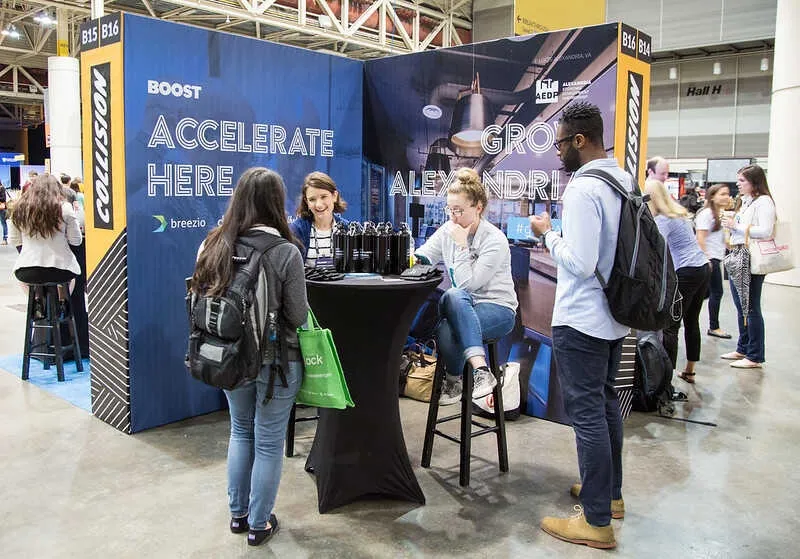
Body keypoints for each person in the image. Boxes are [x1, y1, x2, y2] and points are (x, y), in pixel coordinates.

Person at [529, 102, 628, 550]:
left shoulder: (584, 190)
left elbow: (580, 262)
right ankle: (610, 495)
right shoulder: (622, 179)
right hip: (613, 317)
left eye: (561, 143)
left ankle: (595, 521)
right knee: (606, 406)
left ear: (580, 140)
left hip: (583, 318)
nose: (558, 153)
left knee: (587, 415)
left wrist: (547, 234)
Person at [191, 167, 308, 546]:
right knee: (269, 441)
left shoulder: (213, 243)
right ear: (276, 203)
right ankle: (260, 524)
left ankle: (239, 516)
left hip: (227, 357)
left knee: (240, 430)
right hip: (276, 363)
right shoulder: (285, 251)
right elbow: (299, 315)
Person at [414, 167, 517, 405]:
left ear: (478, 207)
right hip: (462, 305)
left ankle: (454, 380)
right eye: (449, 209)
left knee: (449, 317)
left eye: (458, 210)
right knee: (451, 302)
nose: (453, 217)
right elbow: (424, 255)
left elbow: (466, 285)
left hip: (498, 309)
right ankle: (481, 371)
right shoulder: (448, 228)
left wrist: (460, 247)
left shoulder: (494, 239)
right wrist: (410, 257)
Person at [646, 179, 710, 384]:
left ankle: (666, 381)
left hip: (686, 272)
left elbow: (655, 248)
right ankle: (690, 371)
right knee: (692, 321)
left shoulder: (663, 220)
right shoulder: (679, 214)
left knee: (670, 325)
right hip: (701, 268)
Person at [720, 164, 776, 369]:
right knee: (740, 306)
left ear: (754, 182)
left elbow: (766, 231)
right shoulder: (746, 202)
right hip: (738, 254)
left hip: (751, 259)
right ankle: (743, 348)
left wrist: (737, 226)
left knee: (751, 307)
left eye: (742, 180)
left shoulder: (764, 202)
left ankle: (755, 355)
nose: (738, 184)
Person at [9, 174, 82, 308]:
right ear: (58, 189)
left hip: (26, 270)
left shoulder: (19, 209)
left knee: (26, 279)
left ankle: (37, 302)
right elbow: (76, 241)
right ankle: (63, 303)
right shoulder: (65, 208)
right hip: (61, 270)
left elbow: (14, 241)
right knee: (71, 274)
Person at [696, 184, 732, 339]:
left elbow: (723, 239)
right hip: (710, 259)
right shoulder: (706, 214)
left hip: (717, 257)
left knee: (706, 293)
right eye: (722, 194)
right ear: (712, 196)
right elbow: (700, 238)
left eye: (727, 194)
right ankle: (714, 327)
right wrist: (707, 258)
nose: (726, 197)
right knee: (717, 292)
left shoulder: (720, 214)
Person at [289, 171, 348, 266]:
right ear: (306, 201)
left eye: (323, 197)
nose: (319, 205)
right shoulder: (297, 230)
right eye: (312, 199)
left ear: (334, 196)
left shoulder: (347, 228)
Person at [0, 180, 7, 245]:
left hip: (1, 208)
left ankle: (5, 239)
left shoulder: (1, 188)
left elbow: (3, 198)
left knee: (3, 223)